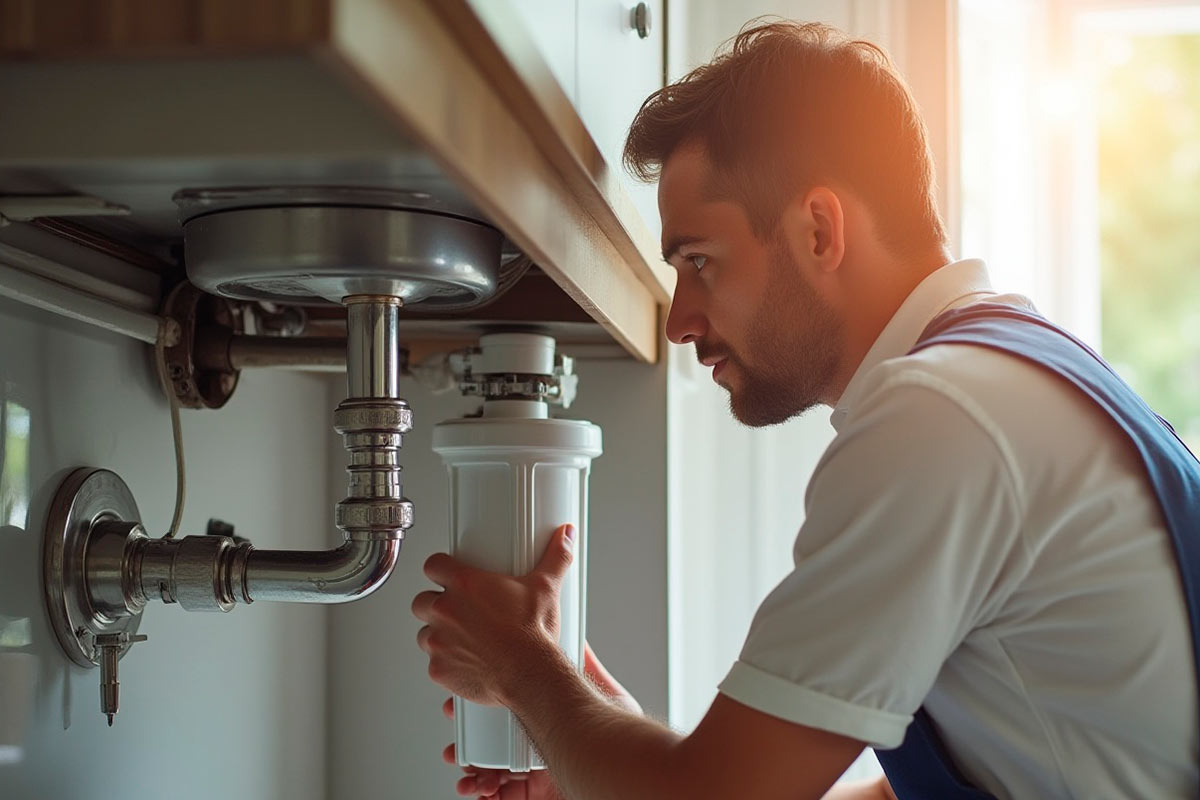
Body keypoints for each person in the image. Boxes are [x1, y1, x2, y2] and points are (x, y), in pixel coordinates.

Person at [411, 19, 1200, 800]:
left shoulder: (935, 419)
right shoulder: (1014, 373)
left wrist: (524, 672)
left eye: (700, 261)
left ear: (819, 229)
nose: (680, 320)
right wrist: (597, 745)